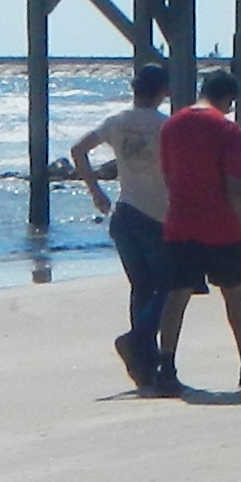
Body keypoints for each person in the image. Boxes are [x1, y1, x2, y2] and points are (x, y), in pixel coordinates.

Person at [153, 71, 241, 395]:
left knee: (177, 295)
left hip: (180, 222)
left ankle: (167, 368)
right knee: (233, 294)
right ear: (228, 99)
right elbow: (234, 187)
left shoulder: (171, 126)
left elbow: (168, 176)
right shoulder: (227, 130)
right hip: (221, 226)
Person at [69, 63, 178, 389]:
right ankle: (138, 340)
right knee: (171, 286)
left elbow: (78, 150)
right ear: (164, 92)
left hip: (124, 212)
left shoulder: (116, 122)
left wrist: (96, 191)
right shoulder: (166, 126)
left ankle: (143, 365)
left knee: (141, 288)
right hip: (155, 216)